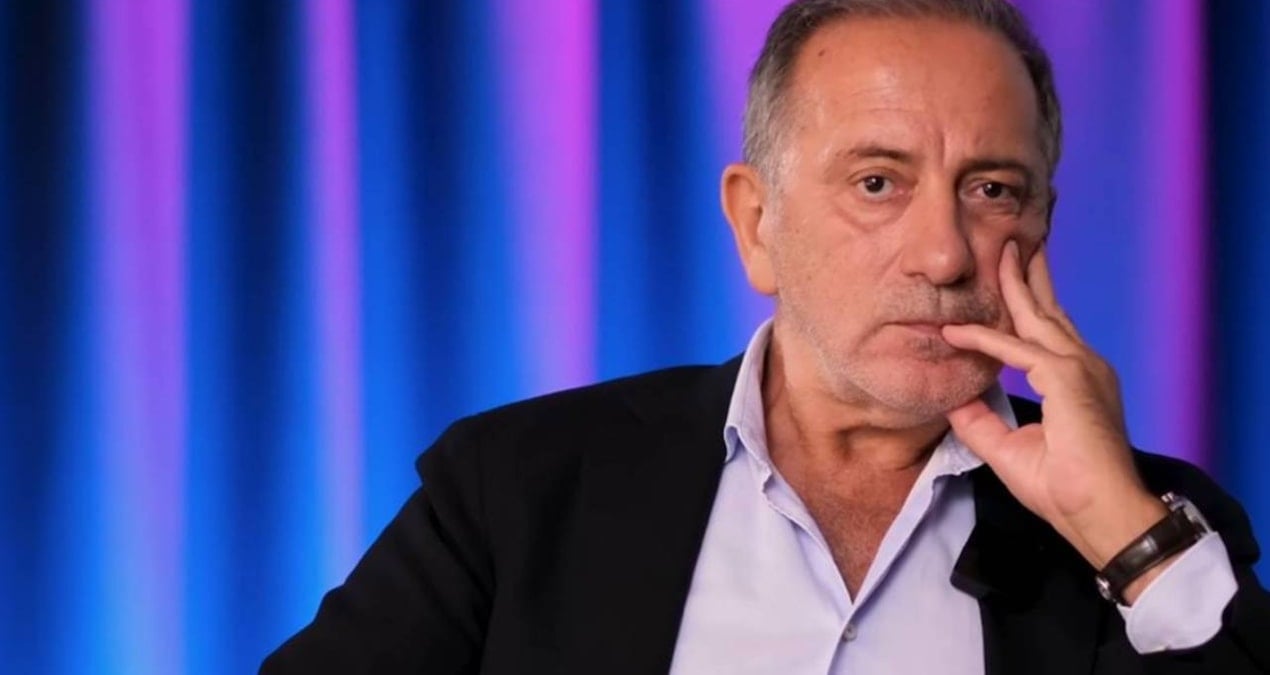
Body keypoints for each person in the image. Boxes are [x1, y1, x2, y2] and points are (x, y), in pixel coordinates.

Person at [263, 0, 1270, 672]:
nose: (943, 254)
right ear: (757, 224)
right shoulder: (519, 486)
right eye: (877, 182)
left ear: (1040, 224)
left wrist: (1121, 532)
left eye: (992, 190)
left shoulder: (1160, 532)